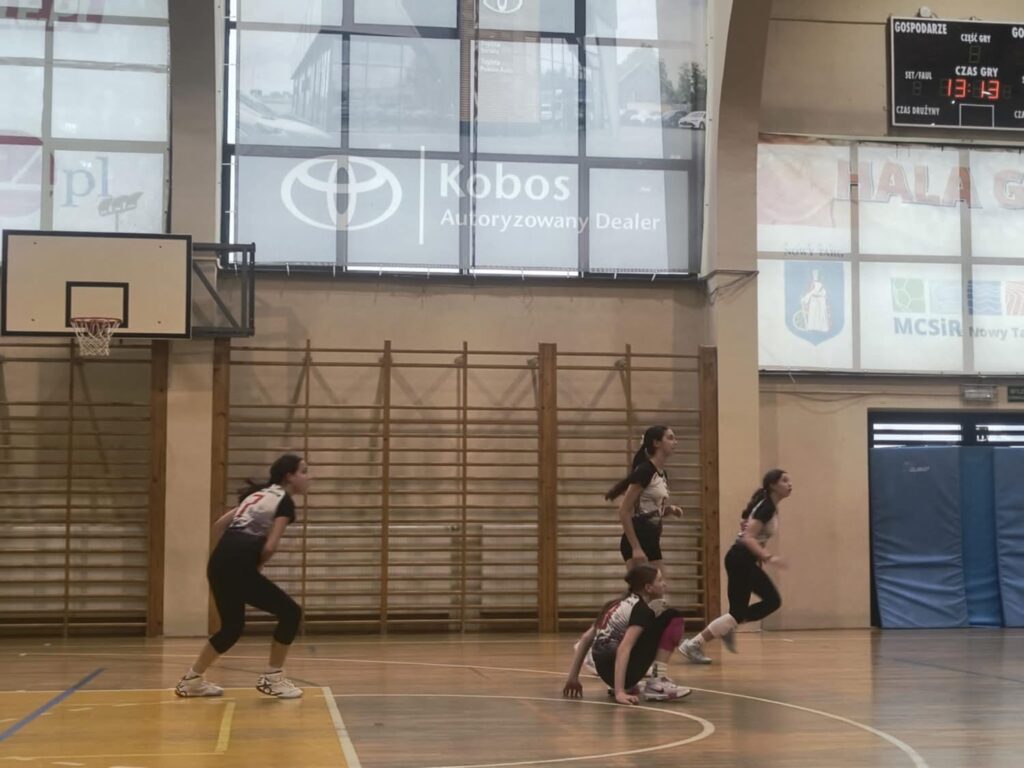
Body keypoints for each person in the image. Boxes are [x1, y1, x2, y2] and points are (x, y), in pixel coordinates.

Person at [175, 453, 311, 699]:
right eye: (304, 471)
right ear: (289, 476)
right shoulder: (284, 502)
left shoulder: (257, 495)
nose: (308, 477)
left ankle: (192, 681)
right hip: (238, 567)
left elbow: (218, 525)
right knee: (291, 613)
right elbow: (270, 546)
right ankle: (273, 678)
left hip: (218, 564)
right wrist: (254, 566)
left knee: (231, 628)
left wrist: (224, 558)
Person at [680, 469, 792, 664]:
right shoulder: (766, 507)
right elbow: (748, 537)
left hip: (743, 560)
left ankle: (715, 633)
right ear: (773, 485)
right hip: (740, 559)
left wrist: (757, 558)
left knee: (743, 611)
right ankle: (694, 643)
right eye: (784, 480)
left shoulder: (768, 505)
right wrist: (767, 557)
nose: (789, 484)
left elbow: (749, 528)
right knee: (768, 602)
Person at [563, 564, 691, 705]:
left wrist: (572, 678)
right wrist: (620, 693)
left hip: (604, 671)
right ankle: (657, 682)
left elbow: (586, 638)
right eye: (660, 580)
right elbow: (624, 648)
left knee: (646, 626)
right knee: (673, 617)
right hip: (623, 672)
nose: (664, 584)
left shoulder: (614, 604)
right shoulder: (641, 609)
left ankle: (622, 684)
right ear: (648, 588)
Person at [606, 426, 684, 574]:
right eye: (670, 438)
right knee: (648, 586)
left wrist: (669, 510)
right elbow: (624, 511)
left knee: (659, 586)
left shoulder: (662, 474)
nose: (675, 442)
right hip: (638, 538)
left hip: (652, 540)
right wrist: (636, 547)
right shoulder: (645, 471)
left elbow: (649, 510)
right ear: (656, 443)